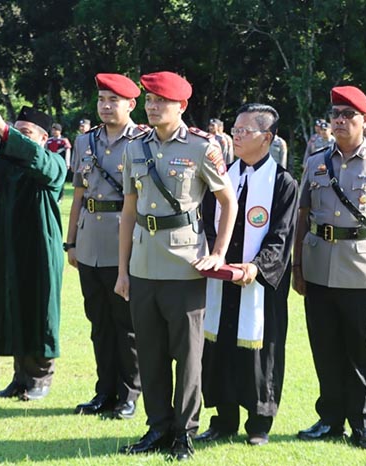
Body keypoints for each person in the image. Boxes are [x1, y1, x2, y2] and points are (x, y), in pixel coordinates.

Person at [115, 71, 237, 461]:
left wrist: (218, 253)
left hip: (186, 265)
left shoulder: (203, 147)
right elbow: (129, 212)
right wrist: (122, 270)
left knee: (187, 356)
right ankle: (157, 427)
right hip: (144, 263)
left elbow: (227, 202)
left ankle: (184, 432)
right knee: (149, 353)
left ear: (181, 106)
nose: (152, 107)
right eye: (149, 100)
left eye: (160, 101)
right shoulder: (135, 147)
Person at [293, 85, 366, 450]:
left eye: (348, 115)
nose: (339, 121)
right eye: (336, 114)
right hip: (319, 265)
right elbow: (302, 216)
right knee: (325, 347)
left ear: (365, 121)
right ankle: (329, 418)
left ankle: (362, 422)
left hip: (364, 268)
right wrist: (297, 266)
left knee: (363, 350)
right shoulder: (315, 161)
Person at [196, 103, 298, 447]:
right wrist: (215, 256)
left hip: (259, 284)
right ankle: (223, 419)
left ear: (267, 137)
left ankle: (259, 423)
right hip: (222, 280)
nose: (235, 137)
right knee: (219, 344)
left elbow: (281, 235)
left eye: (244, 131)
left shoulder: (282, 182)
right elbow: (208, 220)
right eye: (235, 130)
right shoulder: (223, 176)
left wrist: (255, 266)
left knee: (260, 349)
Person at [0, 104, 66, 402]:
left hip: (39, 249)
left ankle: (41, 377)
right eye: (17, 131)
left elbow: (38, 162)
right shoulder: (9, 165)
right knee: (13, 306)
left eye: (26, 133)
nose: (19, 136)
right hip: (8, 246)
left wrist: (5, 130)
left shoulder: (53, 162)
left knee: (39, 308)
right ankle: (20, 378)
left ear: (44, 138)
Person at [67, 73, 146, 419]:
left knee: (125, 323)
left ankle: (130, 393)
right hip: (90, 240)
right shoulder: (85, 142)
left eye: (113, 100)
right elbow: (78, 196)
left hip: (123, 240)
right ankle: (105, 391)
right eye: (101, 100)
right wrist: (71, 241)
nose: (105, 106)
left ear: (131, 104)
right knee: (98, 321)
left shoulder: (143, 140)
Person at [46, 123, 73, 202]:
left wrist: (67, 162)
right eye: (52, 130)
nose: (53, 131)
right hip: (51, 163)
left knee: (61, 180)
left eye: (55, 130)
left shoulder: (64, 141)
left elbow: (68, 151)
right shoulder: (49, 140)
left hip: (61, 164)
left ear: (59, 131)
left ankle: (60, 197)